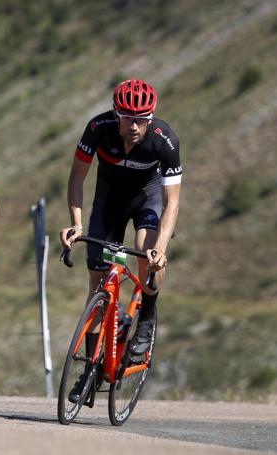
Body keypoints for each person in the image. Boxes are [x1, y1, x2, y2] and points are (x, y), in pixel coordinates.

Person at [59, 79, 182, 402]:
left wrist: (161, 250)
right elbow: (76, 178)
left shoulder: (164, 141)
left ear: (151, 117)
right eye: (127, 117)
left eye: (142, 118)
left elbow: (172, 203)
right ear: (117, 115)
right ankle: (90, 371)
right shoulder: (97, 129)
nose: (134, 125)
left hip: (148, 200)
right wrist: (76, 223)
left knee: (145, 252)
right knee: (98, 282)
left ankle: (148, 313)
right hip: (109, 200)